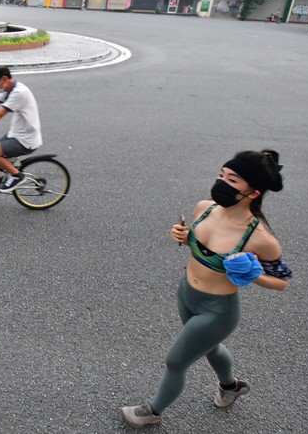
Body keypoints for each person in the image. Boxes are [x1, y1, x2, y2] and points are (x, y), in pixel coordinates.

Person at [120, 150, 291, 428]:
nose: (221, 183)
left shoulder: (260, 239)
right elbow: (202, 248)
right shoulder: (204, 208)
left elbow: (282, 282)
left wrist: (255, 274)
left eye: (232, 179)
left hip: (218, 310)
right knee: (210, 349)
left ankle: (151, 412)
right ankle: (231, 386)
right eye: (221, 175)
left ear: (254, 192)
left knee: (176, 361)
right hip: (187, 293)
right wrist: (186, 238)